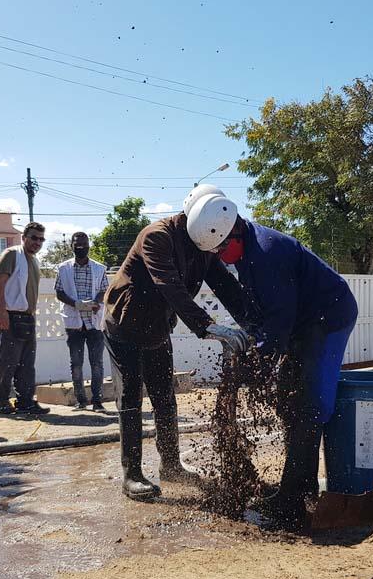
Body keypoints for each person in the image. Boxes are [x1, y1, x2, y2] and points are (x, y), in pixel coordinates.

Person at [190, 192, 358, 527]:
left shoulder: (266, 253)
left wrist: (253, 363)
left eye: (222, 251)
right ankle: (300, 487)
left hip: (328, 318)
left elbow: (277, 326)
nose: (222, 259)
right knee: (288, 400)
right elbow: (263, 316)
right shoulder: (248, 250)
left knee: (309, 404)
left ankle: (293, 501)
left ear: (232, 231)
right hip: (302, 321)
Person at [103, 184, 251, 501]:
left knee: (164, 396)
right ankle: (132, 475)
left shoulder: (204, 244)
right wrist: (208, 326)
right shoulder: (156, 236)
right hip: (124, 326)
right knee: (130, 397)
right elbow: (170, 287)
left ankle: (171, 466)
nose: (211, 252)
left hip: (157, 327)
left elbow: (226, 286)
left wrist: (251, 322)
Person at [0, 222, 50, 417]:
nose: (37, 242)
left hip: (27, 317)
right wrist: (1, 312)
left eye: (41, 239)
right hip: (9, 314)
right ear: (24, 237)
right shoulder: (12, 254)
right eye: (34, 237)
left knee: (27, 363)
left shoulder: (34, 260)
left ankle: (25, 401)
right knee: (9, 362)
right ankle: (0, 400)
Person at [55, 232, 109, 412]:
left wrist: (96, 302)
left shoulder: (99, 268)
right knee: (76, 363)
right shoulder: (63, 268)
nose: (81, 248)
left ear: (89, 245)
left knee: (97, 364)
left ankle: (97, 401)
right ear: (71, 245)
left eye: (84, 244)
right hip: (74, 324)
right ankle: (81, 401)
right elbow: (59, 292)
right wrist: (77, 304)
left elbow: (104, 290)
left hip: (94, 323)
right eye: (77, 245)